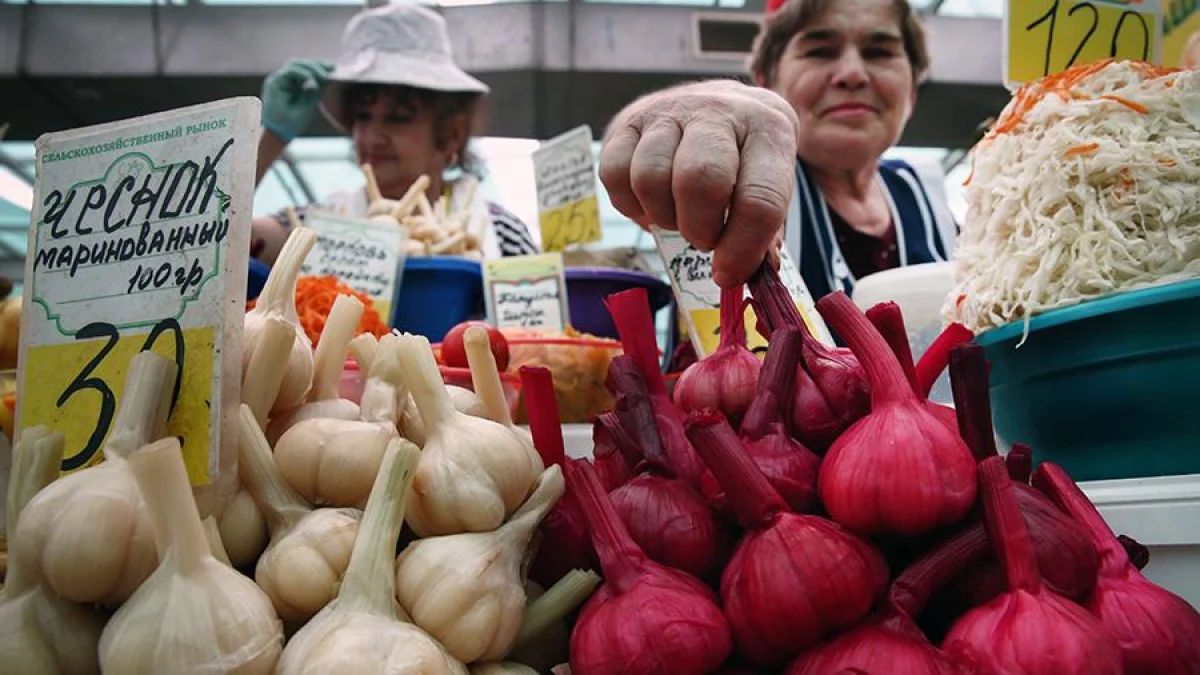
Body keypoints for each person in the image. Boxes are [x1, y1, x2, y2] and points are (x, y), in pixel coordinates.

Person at [599, 0, 955, 294]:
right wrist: (688, 117)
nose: (852, 73)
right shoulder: (741, 183)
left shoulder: (928, 197)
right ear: (767, 83)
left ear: (911, 89)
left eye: (879, 52)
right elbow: (632, 140)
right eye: (819, 51)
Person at [251, 2, 539, 265]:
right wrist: (272, 138)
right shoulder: (316, 225)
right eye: (363, 117)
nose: (371, 136)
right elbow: (223, 241)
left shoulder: (501, 234)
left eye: (398, 118)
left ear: (451, 133)